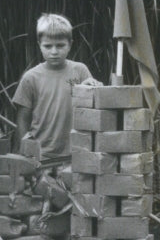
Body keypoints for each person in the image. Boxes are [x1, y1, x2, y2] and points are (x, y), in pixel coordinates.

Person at [11, 13, 101, 159]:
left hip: (75, 153)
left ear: (70, 44)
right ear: (39, 45)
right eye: (48, 46)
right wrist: (25, 151)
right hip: (41, 153)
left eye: (60, 45)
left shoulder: (80, 71)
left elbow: (95, 108)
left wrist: (92, 88)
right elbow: (23, 119)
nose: (54, 51)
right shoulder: (31, 77)